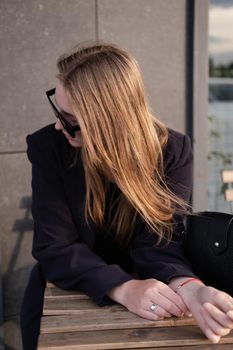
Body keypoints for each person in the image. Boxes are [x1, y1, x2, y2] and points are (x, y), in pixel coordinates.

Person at [20, 41, 233, 349]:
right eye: (58, 108)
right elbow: (55, 247)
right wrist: (123, 287)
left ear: (108, 123)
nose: (57, 124)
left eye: (69, 119)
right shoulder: (49, 147)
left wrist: (190, 288)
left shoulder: (172, 151)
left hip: (150, 303)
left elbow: (161, 241)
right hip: (66, 296)